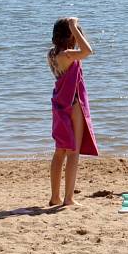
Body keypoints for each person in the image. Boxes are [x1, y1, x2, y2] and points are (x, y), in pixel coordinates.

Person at [48, 17, 98, 206]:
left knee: (59, 151)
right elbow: (88, 51)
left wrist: (72, 28)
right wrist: (74, 27)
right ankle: (68, 198)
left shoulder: (52, 55)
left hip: (59, 103)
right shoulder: (67, 55)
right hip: (73, 104)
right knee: (73, 152)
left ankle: (55, 197)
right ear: (70, 36)